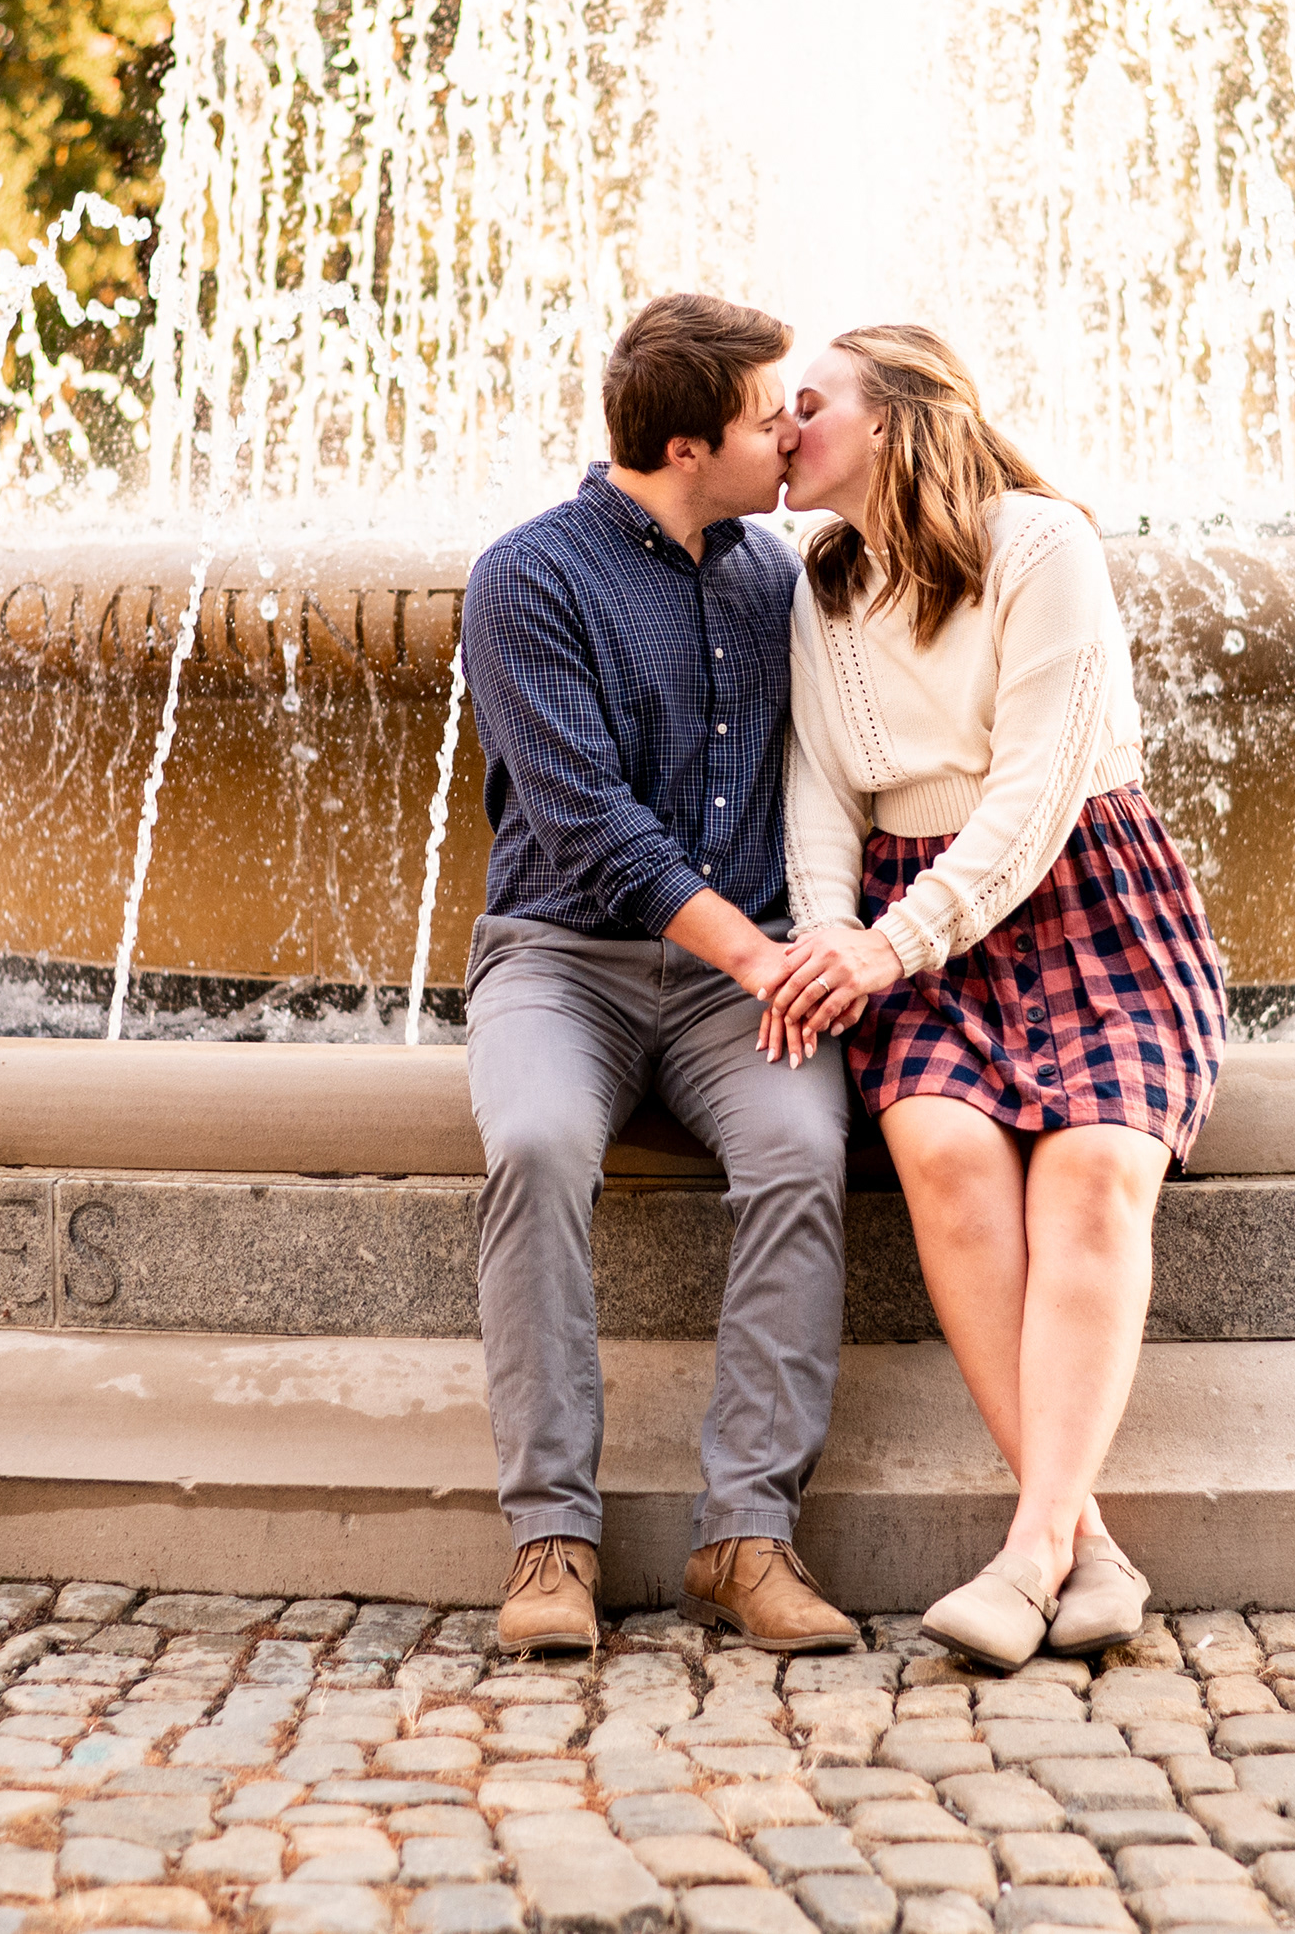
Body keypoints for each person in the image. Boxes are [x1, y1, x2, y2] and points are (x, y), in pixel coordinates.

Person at [758, 325, 1227, 1670]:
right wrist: (832, 936)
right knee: (948, 1156)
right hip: (911, 927)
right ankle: (1080, 1544)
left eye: (810, 403)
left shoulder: (1042, 544)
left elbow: (1031, 803)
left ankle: (1027, 1554)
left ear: (891, 419)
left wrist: (883, 947)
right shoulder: (822, 581)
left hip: (1088, 900)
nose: (784, 427)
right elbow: (819, 793)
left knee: (1094, 1173)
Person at [454, 294, 863, 1659]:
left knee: (803, 1149)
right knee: (534, 1140)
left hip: (729, 985)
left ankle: (746, 1533)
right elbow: (590, 828)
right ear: (688, 447)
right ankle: (551, 1539)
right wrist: (770, 960)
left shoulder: (774, 574)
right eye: (767, 418)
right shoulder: (528, 577)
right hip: (561, 957)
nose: (791, 432)